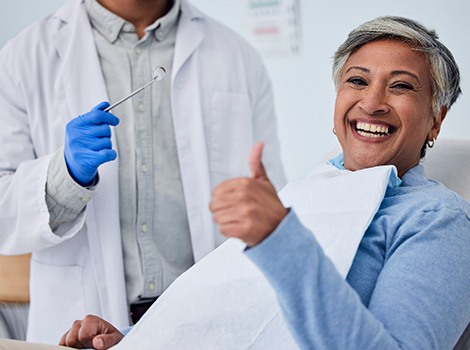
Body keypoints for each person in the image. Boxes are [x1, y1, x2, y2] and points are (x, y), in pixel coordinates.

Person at [1, 14, 468, 350]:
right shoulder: (308, 191)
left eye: (402, 85)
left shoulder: (437, 222)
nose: (372, 102)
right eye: (357, 81)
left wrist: (281, 241)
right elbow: (242, 313)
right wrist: (142, 339)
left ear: (436, 119)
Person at [0, 0, 286, 344]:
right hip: (85, 327)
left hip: (210, 324)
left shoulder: (237, 56)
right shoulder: (24, 58)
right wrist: (65, 177)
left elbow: (272, 198)